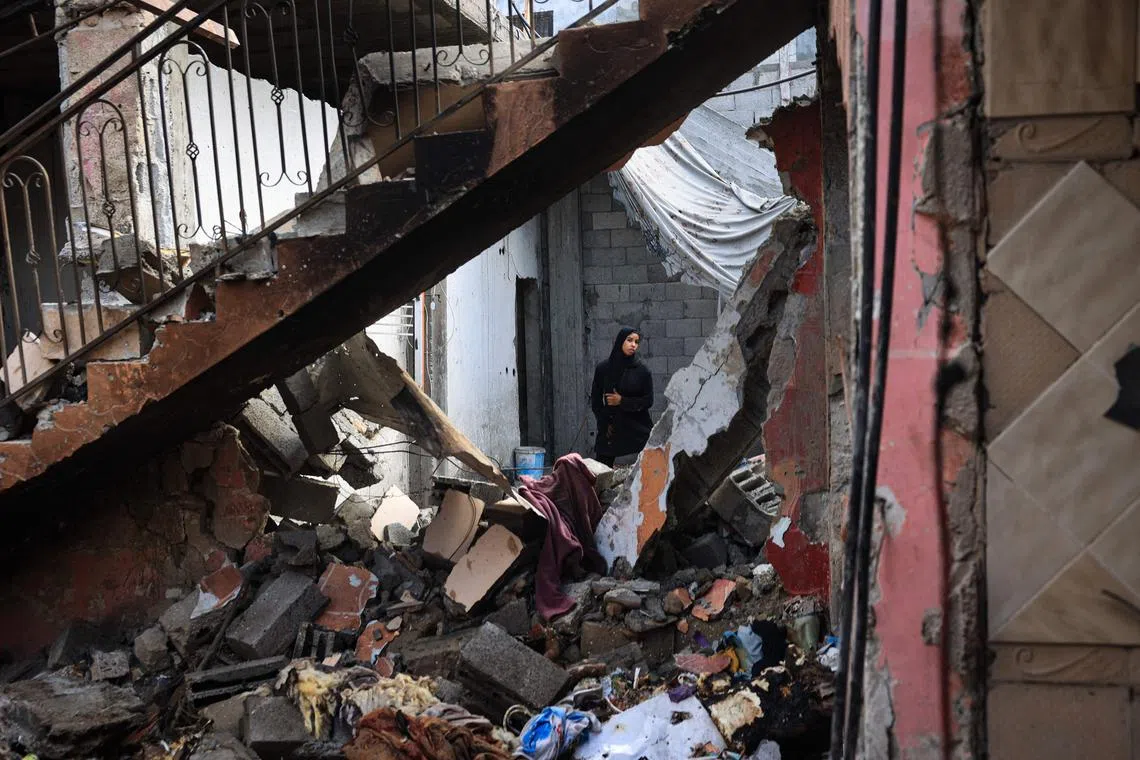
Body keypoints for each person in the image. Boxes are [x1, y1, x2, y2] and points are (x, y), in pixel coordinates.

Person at [590, 327, 653, 467]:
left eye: (636, 342)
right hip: (611, 424)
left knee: (652, 462)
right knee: (601, 469)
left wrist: (622, 401)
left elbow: (648, 400)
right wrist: (604, 423)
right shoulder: (603, 369)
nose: (633, 345)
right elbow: (595, 400)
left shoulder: (642, 371)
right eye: (629, 340)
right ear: (620, 341)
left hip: (637, 425)